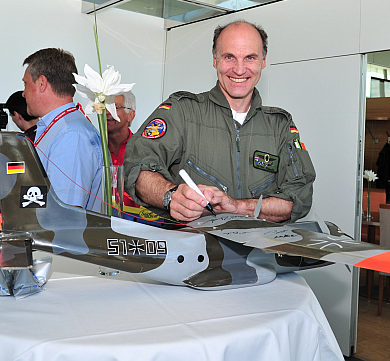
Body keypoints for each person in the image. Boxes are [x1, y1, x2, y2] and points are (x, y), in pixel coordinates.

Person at [124, 20, 315, 223]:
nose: (239, 69)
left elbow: (299, 199)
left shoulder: (280, 125)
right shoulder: (182, 111)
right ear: (215, 60)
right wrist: (170, 196)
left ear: (263, 61)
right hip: (194, 249)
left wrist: (238, 206)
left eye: (250, 57)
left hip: (260, 253)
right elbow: (139, 167)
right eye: (229, 57)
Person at [22, 48, 104, 212]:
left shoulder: (71, 135)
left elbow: (65, 214)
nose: (23, 93)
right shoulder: (60, 128)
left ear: (41, 83)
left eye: (25, 84)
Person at [107, 91, 140, 209]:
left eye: (115, 107)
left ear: (131, 115)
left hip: (135, 223)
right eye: (105, 106)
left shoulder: (142, 149)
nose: (107, 112)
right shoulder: (94, 148)